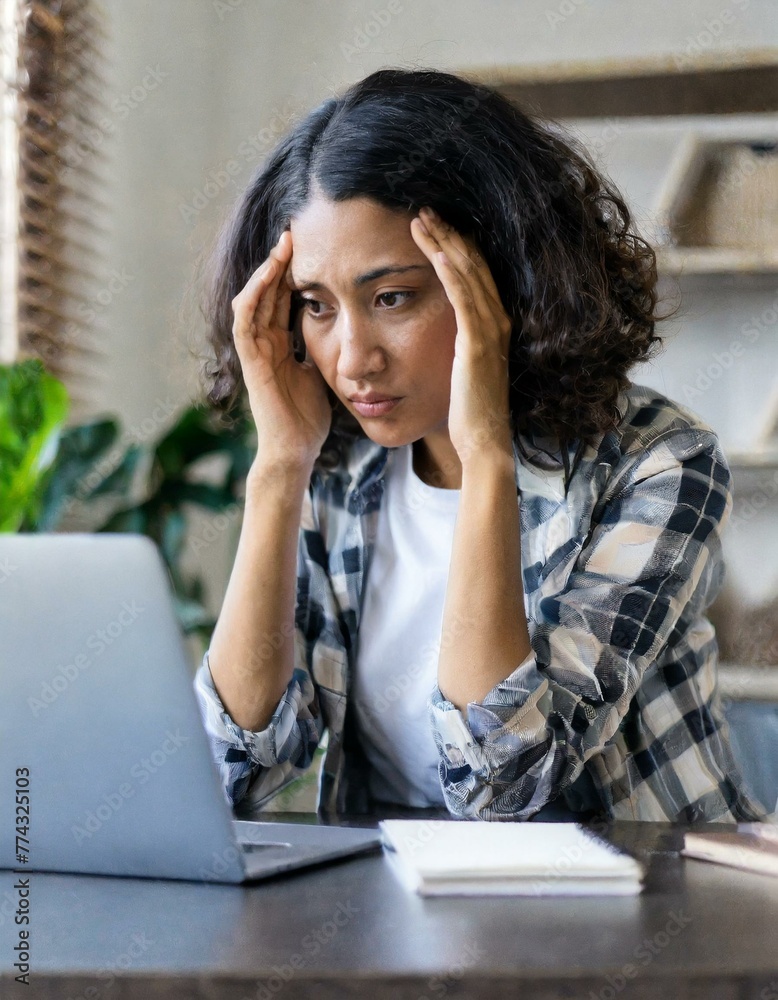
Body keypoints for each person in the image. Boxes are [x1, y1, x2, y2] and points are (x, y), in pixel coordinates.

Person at [192, 67, 767, 824]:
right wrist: (278, 469)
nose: (354, 357)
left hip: (652, 918)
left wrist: (487, 455)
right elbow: (238, 780)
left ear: (503, 279)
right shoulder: (333, 470)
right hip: (404, 918)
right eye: (316, 306)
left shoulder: (659, 464)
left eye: (392, 297)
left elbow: (506, 785)